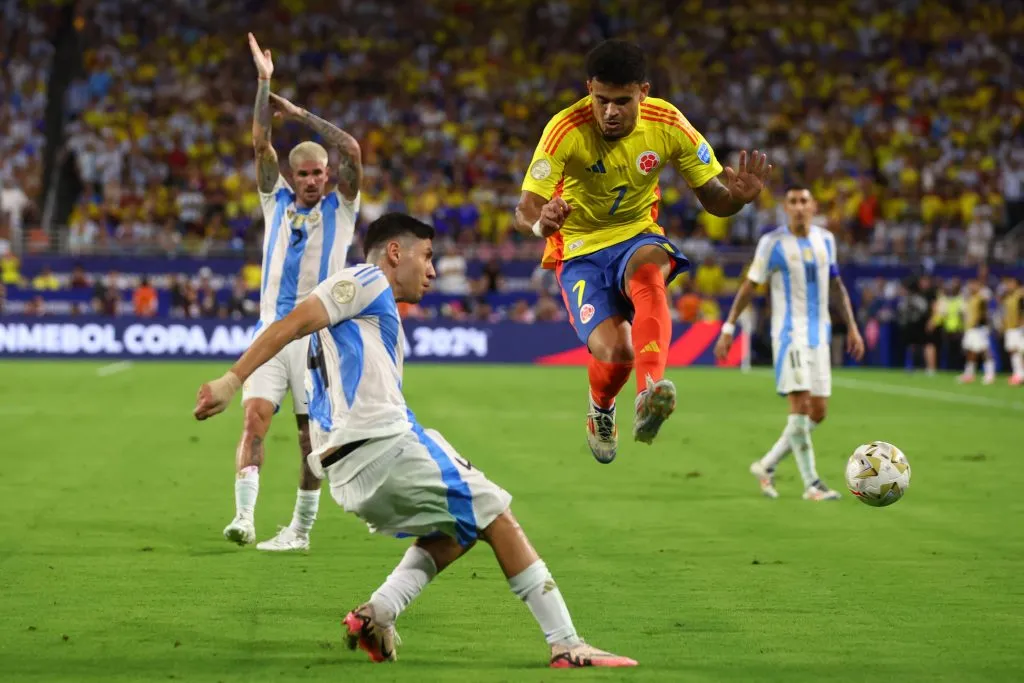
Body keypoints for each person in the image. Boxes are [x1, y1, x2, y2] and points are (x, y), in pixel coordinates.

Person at [193, 214, 636, 669]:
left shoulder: (370, 306)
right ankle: (566, 644)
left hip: (346, 471)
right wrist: (232, 380)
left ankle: (378, 613)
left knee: (459, 525)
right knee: (497, 514)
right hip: (382, 445)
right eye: (426, 256)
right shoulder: (365, 279)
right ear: (394, 253)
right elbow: (290, 324)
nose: (432, 270)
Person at [514, 39, 770, 463]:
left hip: (636, 233)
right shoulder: (565, 128)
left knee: (650, 273)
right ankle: (601, 407)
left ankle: (649, 394)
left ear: (643, 92)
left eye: (622, 101)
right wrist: (543, 224)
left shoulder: (667, 122)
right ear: (589, 89)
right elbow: (525, 209)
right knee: (616, 353)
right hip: (578, 249)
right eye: (601, 100)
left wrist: (737, 199)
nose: (610, 112)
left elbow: (715, 199)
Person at [222, 33, 360, 552]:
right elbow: (261, 144)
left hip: (316, 338)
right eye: (302, 174)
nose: (310, 181)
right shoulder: (275, 199)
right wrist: (264, 83)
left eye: (318, 173)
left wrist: (298, 113)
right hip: (269, 333)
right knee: (254, 420)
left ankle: (299, 530)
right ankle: (244, 518)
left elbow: (351, 148)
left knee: (309, 438)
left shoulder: (342, 207)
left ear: (328, 175)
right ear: (291, 176)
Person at [715, 186, 865, 501]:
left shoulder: (826, 240)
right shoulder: (772, 243)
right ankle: (812, 484)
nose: (798, 207)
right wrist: (728, 327)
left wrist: (852, 327)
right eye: (793, 202)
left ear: (813, 207)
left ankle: (766, 465)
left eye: (804, 201)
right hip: (789, 334)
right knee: (799, 407)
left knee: (818, 411)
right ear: (785, 208)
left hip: (820, 334)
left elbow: (836, 284)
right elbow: (749, 286)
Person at [958, 279, 995, 384]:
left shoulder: (981, 298)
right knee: (970, 351)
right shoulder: (969, 298)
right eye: (970, 285)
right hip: (969, 328)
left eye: (973, 285)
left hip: (979, 329)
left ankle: (990, 374)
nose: (971, 287)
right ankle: (969, 374)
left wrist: (981, 324)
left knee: (984, 350)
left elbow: (985, 313)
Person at [1002, 276, 1023, 386]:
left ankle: (1020, 375)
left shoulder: (1020, 295)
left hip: (1019, 328)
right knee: (1013, 351)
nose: (1009, 286)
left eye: (1011, 283)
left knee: (1021, 350)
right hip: (1010, 328)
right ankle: (1018, 374)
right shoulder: (1008, 297)